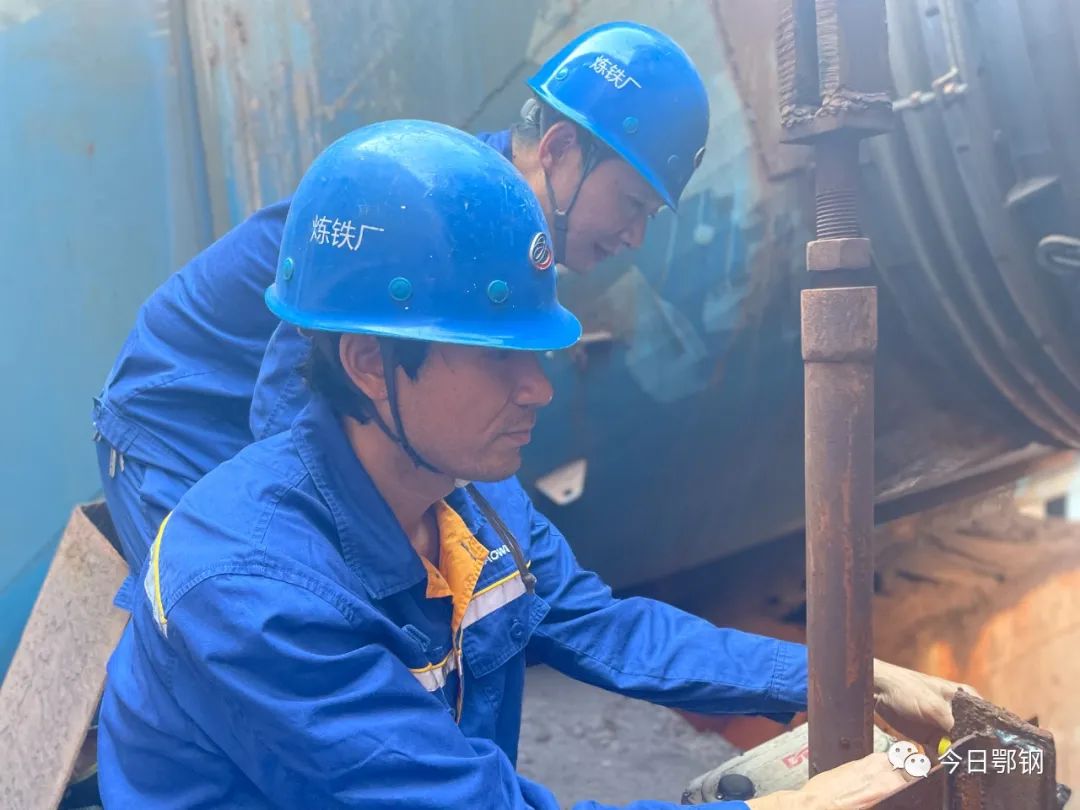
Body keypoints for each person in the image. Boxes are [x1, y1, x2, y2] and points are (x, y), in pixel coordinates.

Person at [99, 120, 971, 810]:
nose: (539, 390)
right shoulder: (254, 595)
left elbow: (608, 628)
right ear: (368, 364)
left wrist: (842, 675)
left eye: (537, 352)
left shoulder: (471, 499)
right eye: (496, 357)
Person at [91, 21, 711, 605]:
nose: (635, 236)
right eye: (631, 203)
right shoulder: (430, 213)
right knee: (229, 612)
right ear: (560, 148)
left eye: (649, 216)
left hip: (251, 408)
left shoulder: (499, 220)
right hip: (178, 418)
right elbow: (291, 396)